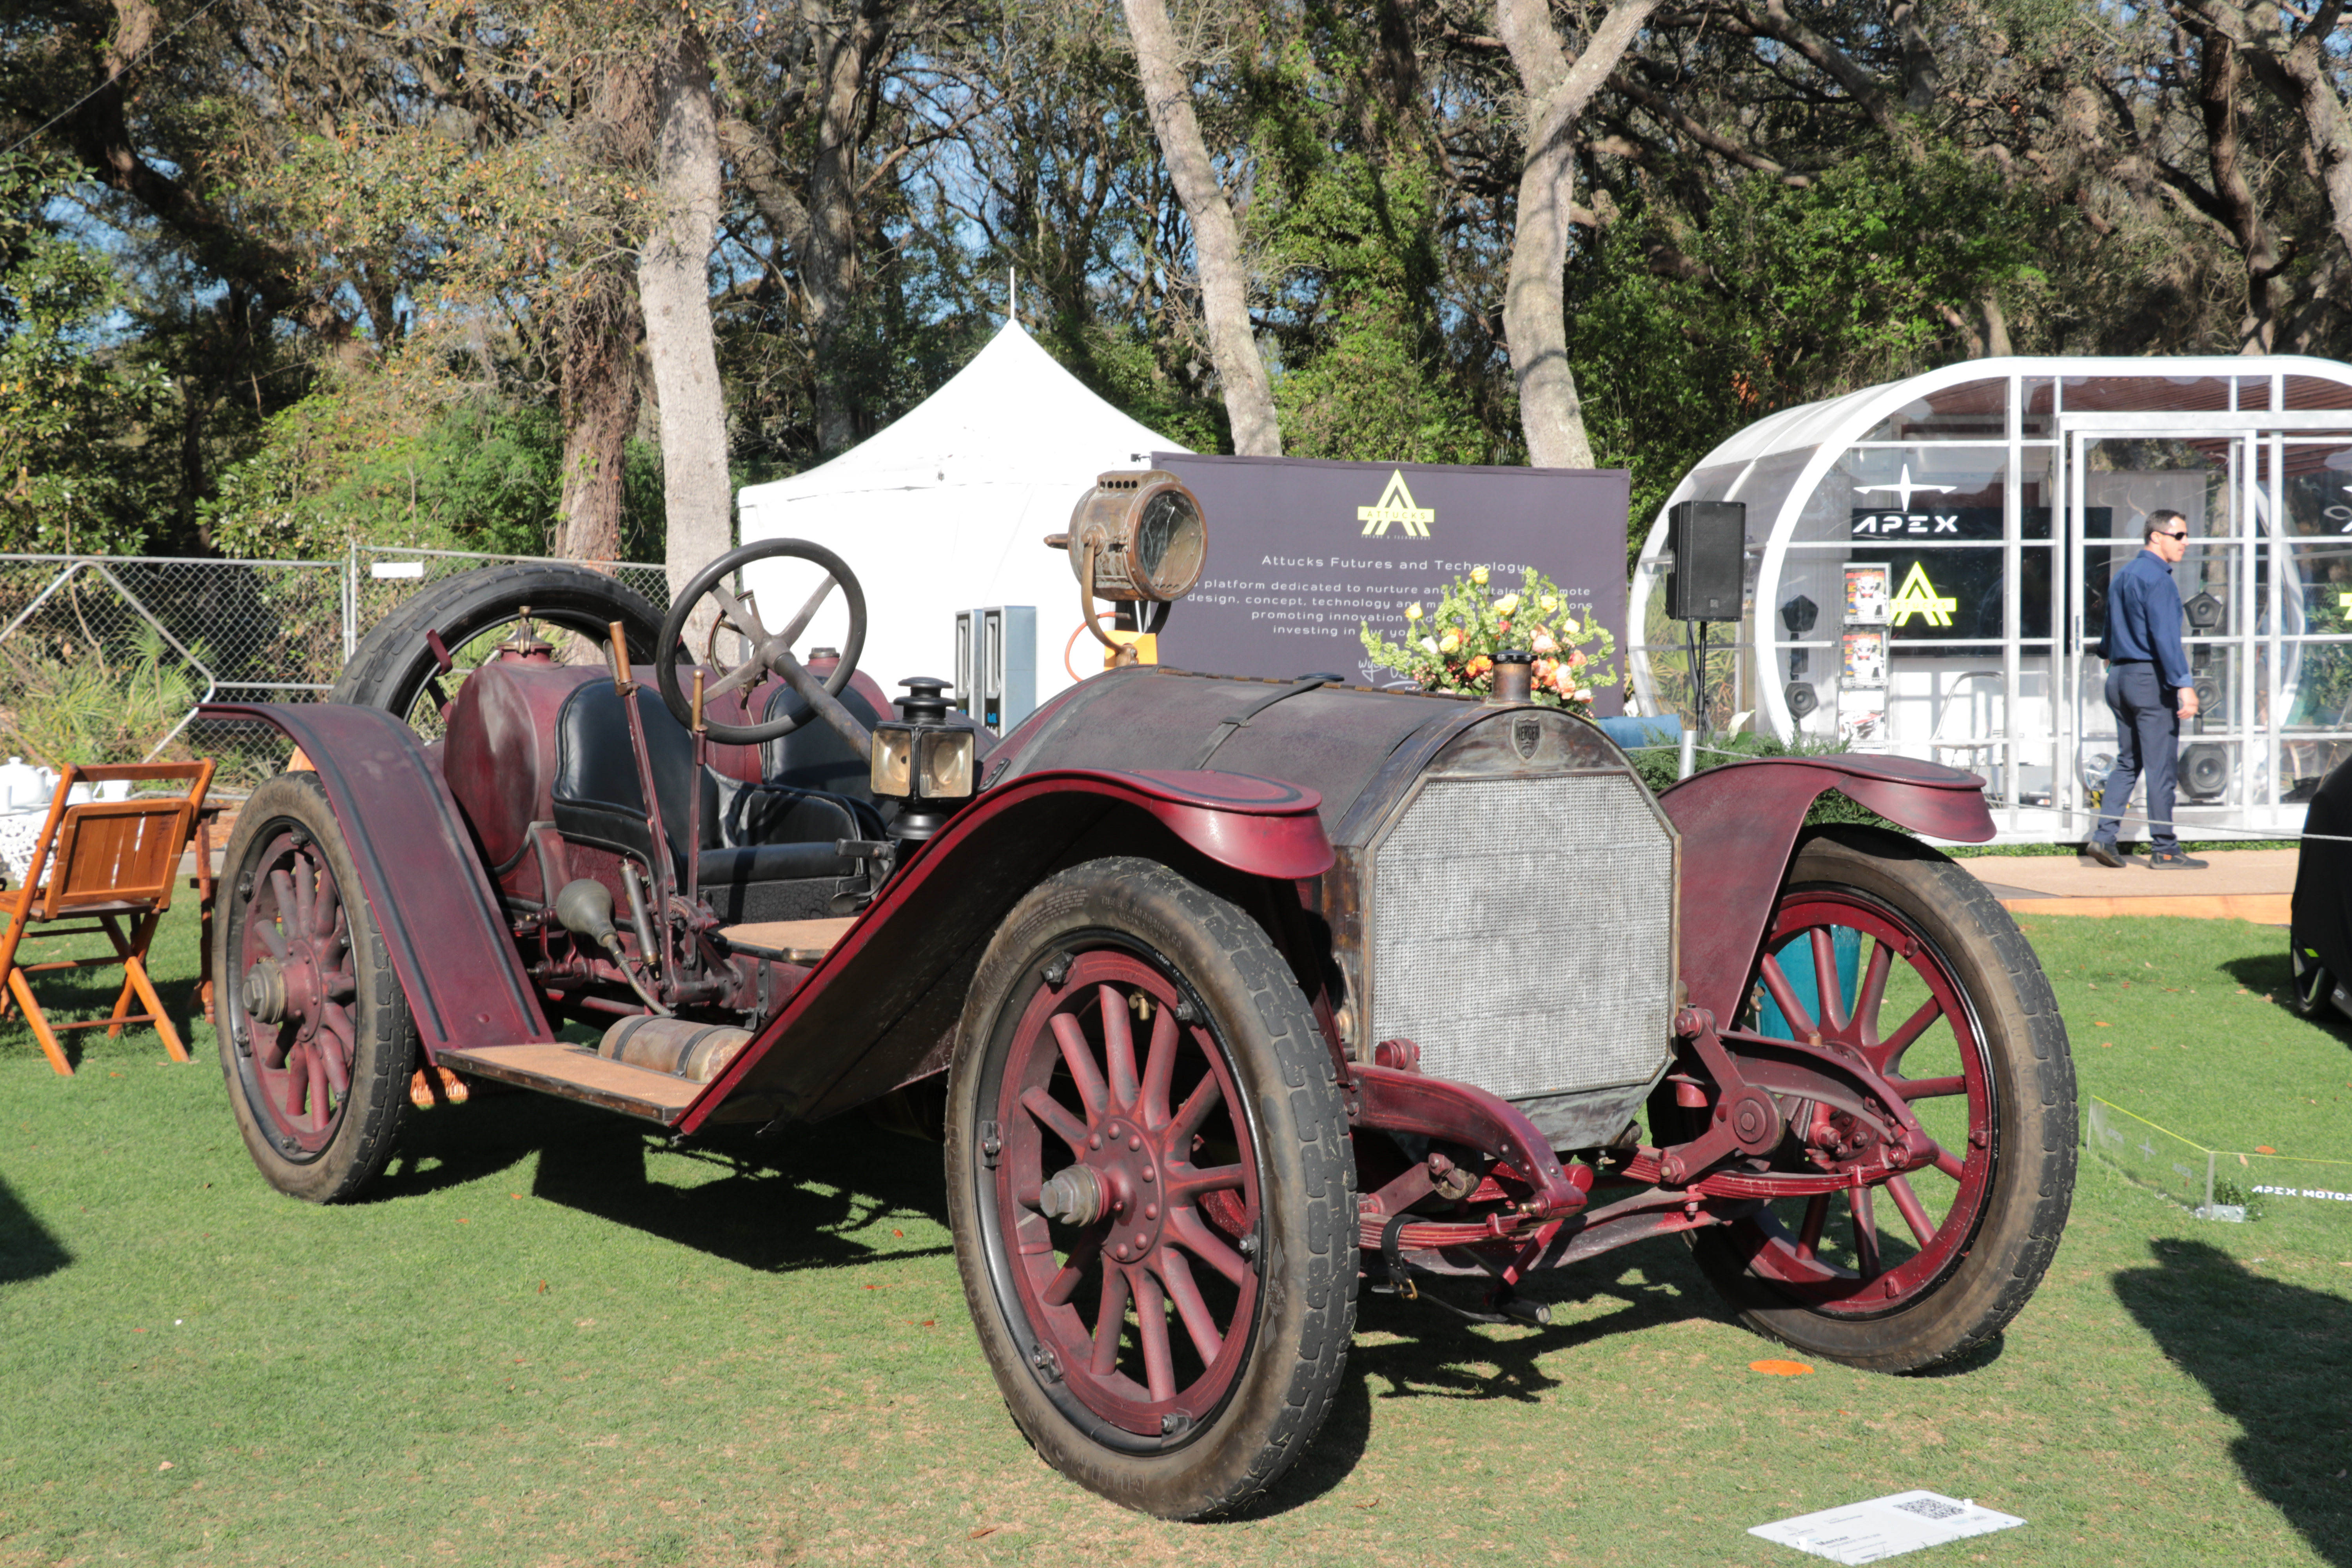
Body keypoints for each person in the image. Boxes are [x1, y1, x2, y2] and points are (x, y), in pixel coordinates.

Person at [2085, 509, 2206, 869]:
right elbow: (2166, 640)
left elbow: (2108, 632)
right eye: (2180, 536)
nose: (2186, 543)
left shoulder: (2123, 576)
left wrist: (2112, 658)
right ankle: (2166, 849)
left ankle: (2104, 839)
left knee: (2128, 762)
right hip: (2148, 681)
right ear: (2157, 537)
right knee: (2160, 767)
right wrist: (2184, 686)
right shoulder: (2159, 580)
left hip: (2119, 678)